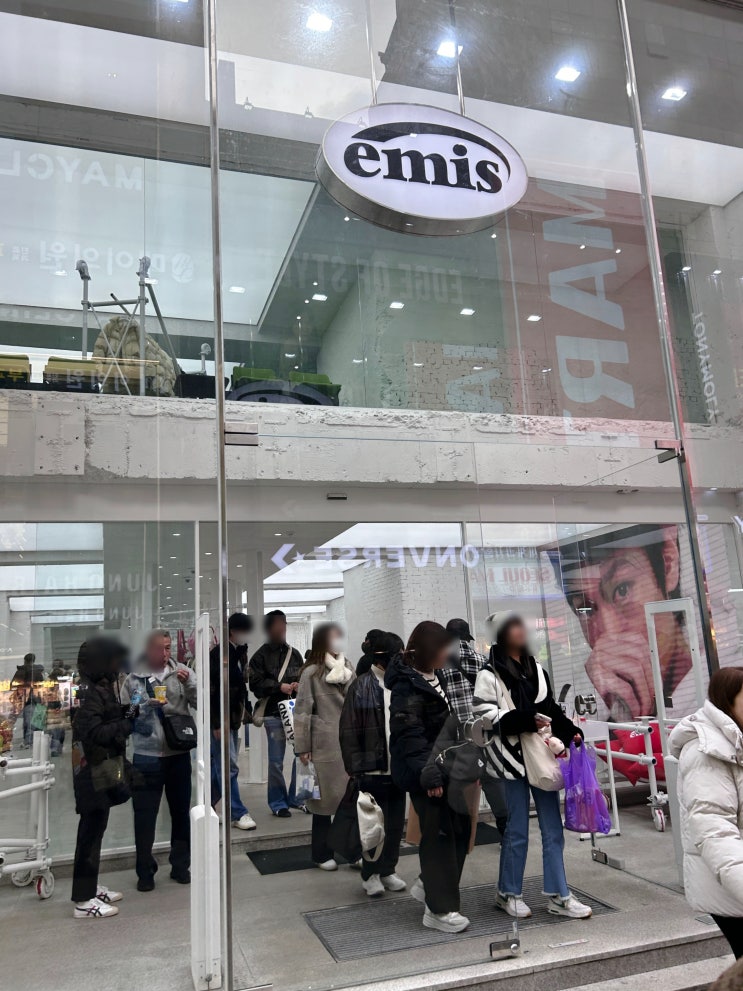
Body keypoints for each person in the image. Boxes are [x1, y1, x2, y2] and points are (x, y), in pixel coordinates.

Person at [472, 612, 591, 920]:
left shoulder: (536, 668)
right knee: (517, 829)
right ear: (501, 633)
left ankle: (559, 894)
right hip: (511, 760)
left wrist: (570, 732)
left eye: (521, 625)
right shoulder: (488, 674)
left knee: (552, 828)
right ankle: (508, 892)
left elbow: (551, 709)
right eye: (513, 626)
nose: (521, 630)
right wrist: (526, 720)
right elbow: (485, 718)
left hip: (541, 757)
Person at [549, 524, 693, 721]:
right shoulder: (593, 704)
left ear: (668, 563)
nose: (611, 632)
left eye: (622, 590)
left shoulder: (713, 687)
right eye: (585, 609)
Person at [387, 621, 472, 934]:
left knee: (460, 831)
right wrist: (431, 775)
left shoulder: (437, 677)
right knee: (440, 838)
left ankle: (429, 885)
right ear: (427, 650)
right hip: (426, 772)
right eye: (441, 649)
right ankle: (439, 909)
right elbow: (409, 735)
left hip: (449, 768)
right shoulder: (406, 685)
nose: (447, 654)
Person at [670, 667, 743, 958]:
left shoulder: (737, 739)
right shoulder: (706, 751)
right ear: (728, 701)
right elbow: (714, 831)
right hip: (729, 885)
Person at [121, 629, 197, 891]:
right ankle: (145, 871)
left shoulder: (182, 673)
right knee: (144, 816)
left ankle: (181, 865)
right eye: (159, 648)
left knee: (180, 813)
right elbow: (127, 715)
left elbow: (201, 702)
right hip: (146, 756)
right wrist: (144, 706)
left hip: (178, 754)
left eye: (167, 648)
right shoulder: (134, 679)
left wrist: (189, 685)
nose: (164, 654)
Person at [71, 637, 139, 919]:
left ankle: (89, 887)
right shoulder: (88, 691)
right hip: (91, 771)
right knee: (90, 831)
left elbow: (106, 719)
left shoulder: (96, 688)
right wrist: (126, 724)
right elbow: (95, 732)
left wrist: (132, 708)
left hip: (97, 769)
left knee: (96, 828)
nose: (116, 665)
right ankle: (83, 900)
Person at [340, 631, 407, 896]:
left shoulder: (401, 683)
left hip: (398, 767)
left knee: (395, 825)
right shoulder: (361, 686)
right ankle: (370, 874)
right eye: (396, 655)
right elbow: (348, 730)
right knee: (372, 826)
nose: (400, 660)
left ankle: (388, 869)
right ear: (381, 657)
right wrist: (354, 767)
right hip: (371, 768)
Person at [295, 622, 355, 869]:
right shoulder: (311, 672)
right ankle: (321, 853)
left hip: (349, 742)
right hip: (324, 744)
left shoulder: (348, 667)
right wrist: (303, 746)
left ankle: (352, 851)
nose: (338, 641)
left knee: (351, 801)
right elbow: (302, 711)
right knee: (322, 803)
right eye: (333, 637)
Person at [443, 617, 508, 834]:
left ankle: (460, 832)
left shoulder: (439, 664)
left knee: (457, 782)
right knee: (492, 778)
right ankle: (505, 828)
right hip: (483, 730)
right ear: (467, 637)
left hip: (456, 733)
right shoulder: (483, 661)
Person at [248, 610, 304, 816]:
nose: (282, 629)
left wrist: (298, 684)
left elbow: (303, 677)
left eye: (284, 624)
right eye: (278, 625)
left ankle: (298, 797)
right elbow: (255, 684)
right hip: (273, 713)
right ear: (269, 628)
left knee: (302, 755)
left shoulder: (294, 654)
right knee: (276, 761)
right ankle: (278, 803)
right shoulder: (259, 656)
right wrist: (279, 687)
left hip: (295, 711)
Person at [209, 613, 256, 831]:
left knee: (222, 765)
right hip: (222, 718)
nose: (246, 635)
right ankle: (237, 811)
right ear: (233, 631)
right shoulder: (219, 655)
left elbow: (239, 687)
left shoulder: (238, 653)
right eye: (243, 631)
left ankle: (208, 805)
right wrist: (217, 723)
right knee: (228, 766)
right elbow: (213, 691)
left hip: (233, 717)